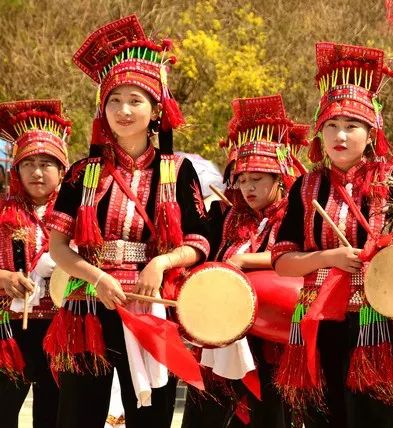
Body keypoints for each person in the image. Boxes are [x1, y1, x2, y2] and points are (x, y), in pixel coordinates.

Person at [46, 15, 209, 428]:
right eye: (114, 100)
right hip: (88, 308)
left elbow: (200, 241)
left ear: (157, 110)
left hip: (151, 305)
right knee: (76, 417)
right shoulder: (83, 172)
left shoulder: (179, 170)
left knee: (149, 418)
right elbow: (58, 248)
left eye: (136, 100)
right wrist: (98, 278)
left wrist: (161, 263)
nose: (123, 110)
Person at [271, 41, 393, 428]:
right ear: (320, 132)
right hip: (319, 318)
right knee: (325, 417)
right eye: (332, 126)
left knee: (377, 417)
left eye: (352, 126)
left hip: (377, 319)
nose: (340, 135)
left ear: (372, 132)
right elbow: (282, 262)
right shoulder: (305, 187)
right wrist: (327, 258)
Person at [182, 94, 308, 428]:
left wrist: (246, 261)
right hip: (225, 331)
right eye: (242, 179)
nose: (248, 188)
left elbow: (296, 254)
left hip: (272, 335)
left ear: (280, 179)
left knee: (267, 415)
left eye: (258, 180)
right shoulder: (227, 215)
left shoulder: (295, 213)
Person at [0, 99, 70, 428]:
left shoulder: (79, 217)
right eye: (29, 164)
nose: (37, 172)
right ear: (17, 170)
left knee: (53, 416)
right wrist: (3, 277)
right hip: (9, 329)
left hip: (63, 328)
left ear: (62, 170)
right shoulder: (2, 213)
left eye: (46, 163)